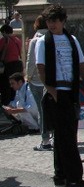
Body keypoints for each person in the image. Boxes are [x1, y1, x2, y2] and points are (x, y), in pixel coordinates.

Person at [35, 3, 84, 187]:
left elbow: (80, 65)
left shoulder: (72, 40)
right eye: (49, 21)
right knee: (68, 137)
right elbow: (41, 68)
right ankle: (74, 178)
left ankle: (60, 176)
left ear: (62, 21)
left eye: (54, 21)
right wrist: (51, 90)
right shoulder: (43, 41)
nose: (51, 25)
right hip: (57, 92)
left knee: (64, 137)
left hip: (70, 91)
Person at [27, 15, 53, 150]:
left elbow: (31, 62)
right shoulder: (53, 38)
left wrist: (28, 76)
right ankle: (55, 136)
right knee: (53, 110)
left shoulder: (35, 40)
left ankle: (45, 140)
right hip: (52, 80)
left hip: (37, 81)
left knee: (42, 111)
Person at [1, 23, 24, 105]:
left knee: (6, 86)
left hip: (8, 65)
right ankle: (15, 102)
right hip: (17, 65)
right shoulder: (17, 40)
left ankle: (6, 103)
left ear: (4, 32)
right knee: (15, 85)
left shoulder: (4, 40)